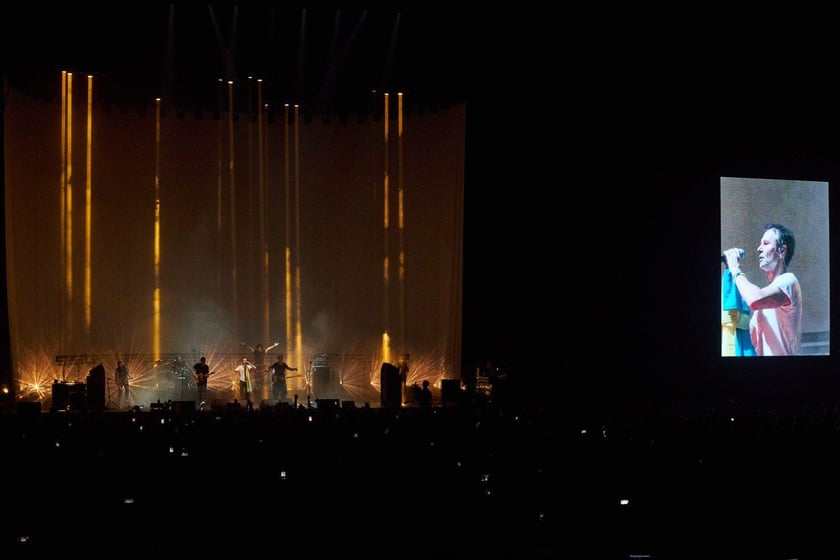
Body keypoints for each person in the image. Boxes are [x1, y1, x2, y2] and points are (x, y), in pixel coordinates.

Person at [724, 223, 802, 356]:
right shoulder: (763, 304)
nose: (759, 249)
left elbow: (754, 300)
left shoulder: (789, 280)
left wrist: (736, 270)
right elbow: (749, 340)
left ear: (782, 251)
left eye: (765, 243)